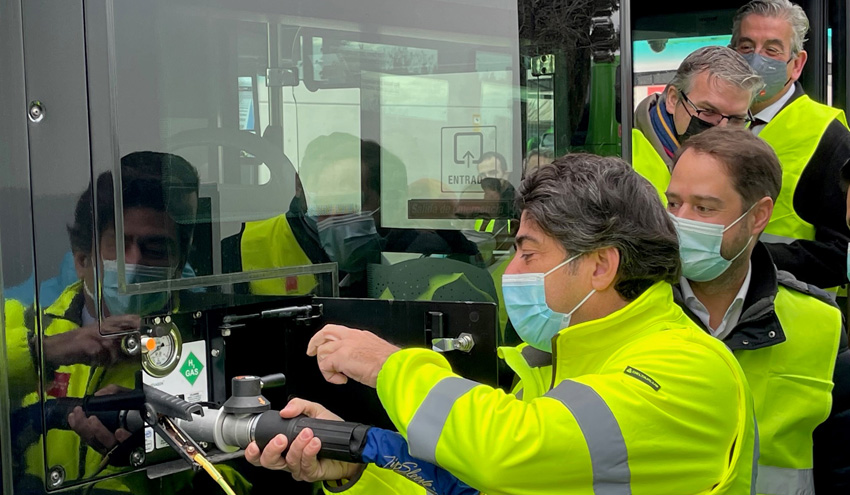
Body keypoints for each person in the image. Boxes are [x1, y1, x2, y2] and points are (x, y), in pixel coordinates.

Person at [246, 153, 758, 494]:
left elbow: (504, 454)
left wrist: (387, 364)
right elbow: (469, 482)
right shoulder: (544, 364)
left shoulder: (689, 371)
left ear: (602, 266)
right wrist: (357, 461)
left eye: (528, 254)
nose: (510, 272)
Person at [6, 152, 249, 493]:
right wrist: (43, 353)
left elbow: (248, 480)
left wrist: (167, 461)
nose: (133, 264)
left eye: (155, 248)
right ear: (81, 259)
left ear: (178, 263)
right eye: (119, 246)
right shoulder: (25, 327)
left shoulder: (212, 343)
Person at [665, 126, 843, 495]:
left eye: (703, 207)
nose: (680, 222)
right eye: (672, 203)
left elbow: (840, 463)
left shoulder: (822, 325)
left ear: (758, 216)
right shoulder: (631, 310)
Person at [731, 0, 850, 290]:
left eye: (772, 50)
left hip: (790, 318)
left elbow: (842, 254)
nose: (757, 59)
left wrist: (743, 258)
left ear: (796, 64)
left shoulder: (831, 138)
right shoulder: (709, 119)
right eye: (746, 47)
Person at [632, 45, 762, 199]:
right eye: (708, 111)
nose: (722, 128)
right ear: (673, 100)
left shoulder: (743, 166)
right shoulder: (627, 160)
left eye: (737, 119)